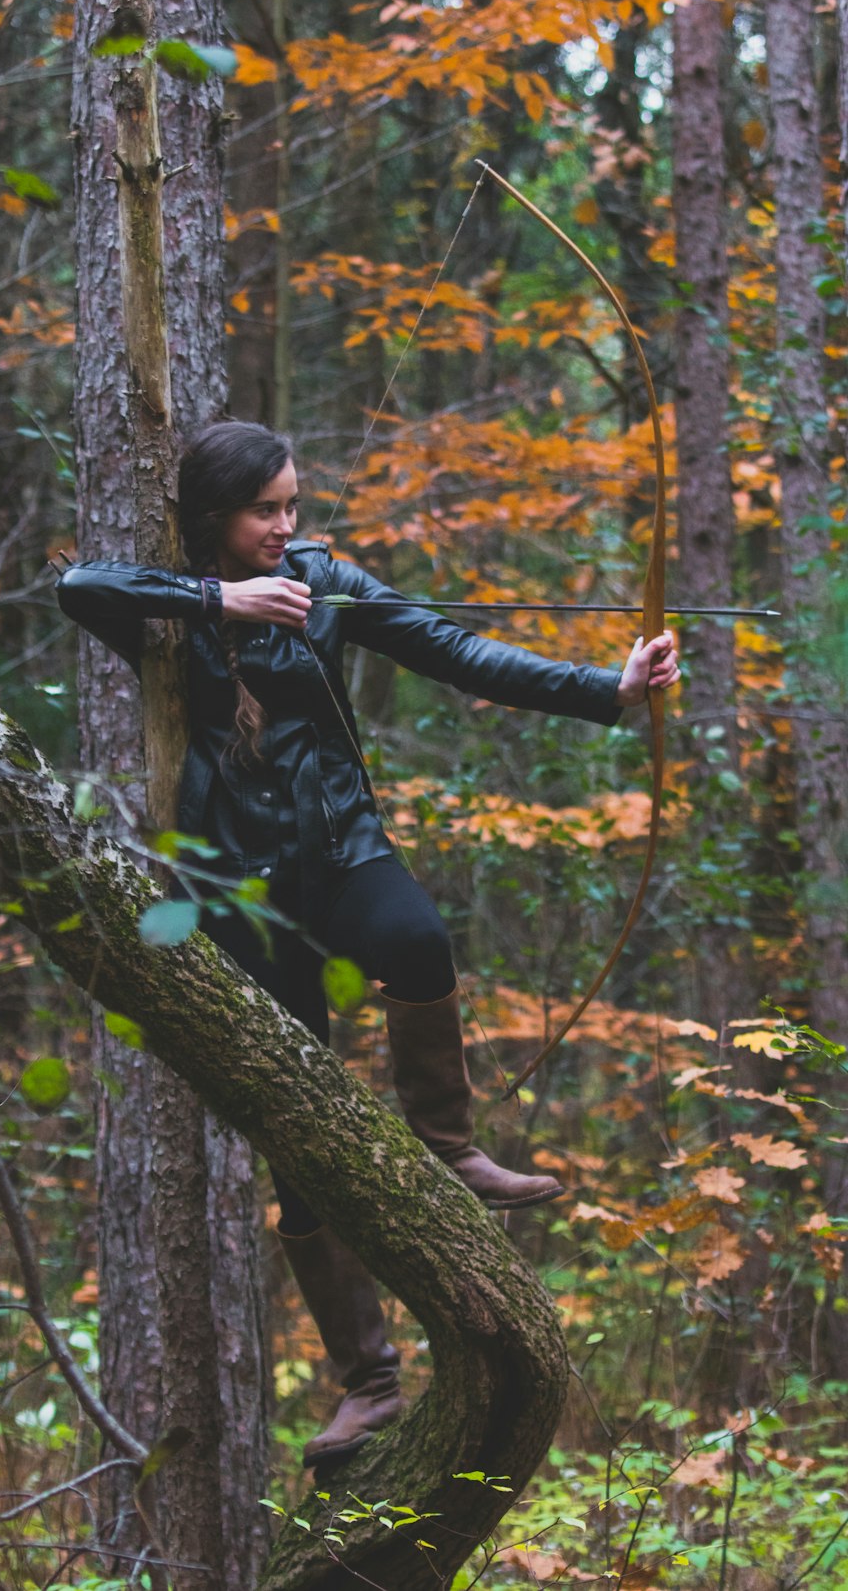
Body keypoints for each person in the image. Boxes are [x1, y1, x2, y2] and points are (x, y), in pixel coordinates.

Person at [56, 419, 681, 1470]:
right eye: (266, 510)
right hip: (240, 892)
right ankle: (369, 1383)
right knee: (299, 1129)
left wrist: (607, 690)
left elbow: (456, 650)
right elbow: (80, 586)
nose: (286, 525)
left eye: (294, 506)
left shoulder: (323, 581)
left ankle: (447, 1143)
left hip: (340, 848)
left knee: (419, 939)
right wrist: (222, 599)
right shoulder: (176, 601)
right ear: (215, 518)